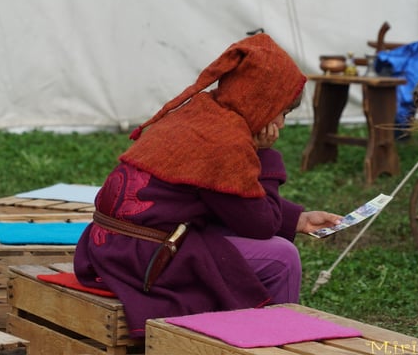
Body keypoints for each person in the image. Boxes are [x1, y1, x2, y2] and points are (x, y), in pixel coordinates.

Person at [74, 33, 342, 338]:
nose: (280, 124)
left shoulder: (203, 112)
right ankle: (274, 341)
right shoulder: (226, 139)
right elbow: (261, 225)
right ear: (262, 101)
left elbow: (222, 196)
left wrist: (297, 220)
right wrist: (265, 155)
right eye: (282, 111)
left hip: (105, 246)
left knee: (236, 238)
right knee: (282, 257)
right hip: (141, 256)